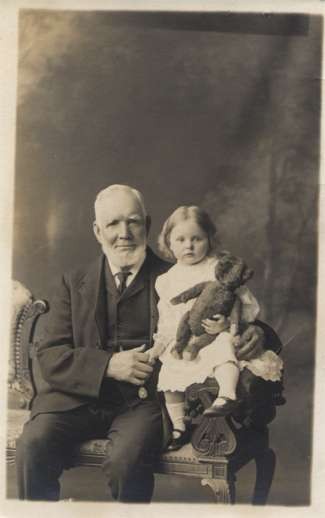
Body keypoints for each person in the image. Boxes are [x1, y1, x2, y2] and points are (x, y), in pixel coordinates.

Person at [16, 184, 281, 502]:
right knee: (33, 445)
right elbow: (50, 354)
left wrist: (258, 333)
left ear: (148, 225)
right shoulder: (74, 282)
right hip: (76, 402)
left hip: (141, 405)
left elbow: (233, 309)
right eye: (113, 224)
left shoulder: (180, 274)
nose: (124, 233)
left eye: (133, 222)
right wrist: (108, 365)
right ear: (98, 231)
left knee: (126, 461)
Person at [148, 206, 283, 450]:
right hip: (188, 340)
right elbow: (167, 319)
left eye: (196, 239)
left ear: (209, 239)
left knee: (223, 349)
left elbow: (247, 305)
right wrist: (159, 346)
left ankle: (227, 395)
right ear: (168, 242)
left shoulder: (219, 268)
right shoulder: (166, 280)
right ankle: (180, 425)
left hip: (217, 335)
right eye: (180, 239)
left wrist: (227, 325)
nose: (189, 246)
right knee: (169, 373)